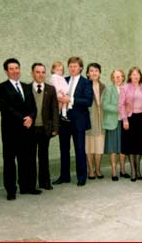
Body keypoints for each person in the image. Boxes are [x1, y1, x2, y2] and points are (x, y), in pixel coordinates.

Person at [0, 58, 39, 200]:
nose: (15, 71)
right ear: (6, 71)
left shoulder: (27, 87)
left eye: (17, 68)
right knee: (9, 161)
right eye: (11, 69)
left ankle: (28, 187)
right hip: (11, 131)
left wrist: (31, 117)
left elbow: (33, 106)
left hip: (27, 130)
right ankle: (11, 190)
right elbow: (6, 109)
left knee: (27, 159)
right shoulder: (1, 88)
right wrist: (23, 119)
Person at [54, 56, 94, 187]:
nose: (72, 68)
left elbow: (88, 101)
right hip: (64, 120)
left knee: (79, 149)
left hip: (79, 121)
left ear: (81, 68)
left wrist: (70, 99)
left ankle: (81, 176)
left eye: (75, 66)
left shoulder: (86, 82)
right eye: (70, 66)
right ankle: (64, 176)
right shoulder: (63, 80)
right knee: (64, 149)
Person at [30, 63, 59, 191]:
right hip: (30, 129)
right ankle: (31, 184)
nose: (40, 75)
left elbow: (54, 109)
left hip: (44, 128)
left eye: (43, 72)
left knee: (44, 156)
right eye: (37, 72)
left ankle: (44, 182)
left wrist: (55, 127)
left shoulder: (50, 89)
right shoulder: (27, 88)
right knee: (30, 156)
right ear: (32, 73)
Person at [119, 67, 142, 181]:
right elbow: (121, 105)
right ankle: (133, 172)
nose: (135, 76)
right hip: (130, 119)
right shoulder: (125, 88)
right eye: (133, 74)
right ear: (130, 76)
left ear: (140, 76)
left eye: (137, 74)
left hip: (141, 118)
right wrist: (125, 120)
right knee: (131, 146)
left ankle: (139, 171)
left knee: (139, 145)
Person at [102, 69, 126, 181]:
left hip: (124, 122)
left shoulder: (127, 88)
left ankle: (122, 170)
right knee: (113, 148)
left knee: (123, 148)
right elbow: (105, 105)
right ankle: (113, 172)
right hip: (113, 122)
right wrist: (119, 109)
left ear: (123, 77)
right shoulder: (109, 89)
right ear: (112, 78)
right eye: (115, 77)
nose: (118, 79)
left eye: (120, 76)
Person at [85, 63, 105, 180]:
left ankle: (98, 168)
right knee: (89, 147)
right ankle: (91, 170)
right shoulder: (84, 86)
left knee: (99, 146)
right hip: (88, 120)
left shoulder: (103, 87)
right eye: (91, 71)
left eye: (96, 70)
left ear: (99, 73)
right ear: (87, 73)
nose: (94, 73)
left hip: (101, 120)